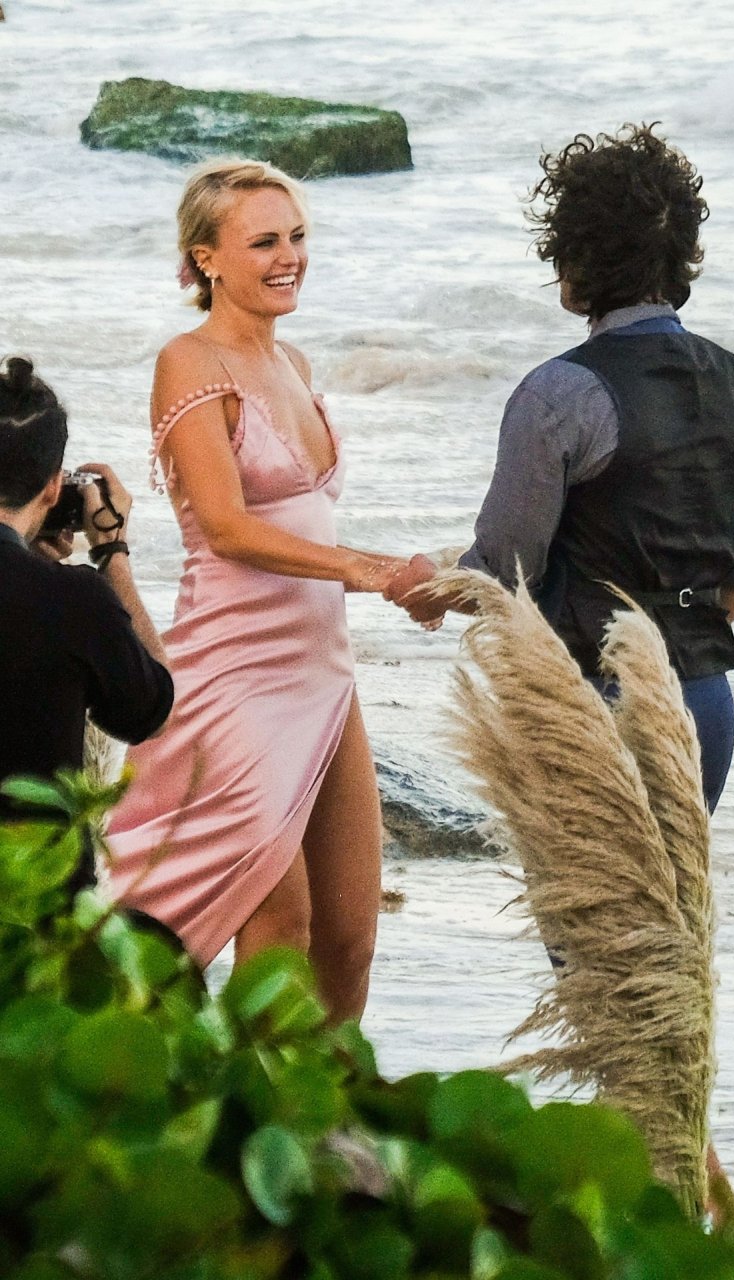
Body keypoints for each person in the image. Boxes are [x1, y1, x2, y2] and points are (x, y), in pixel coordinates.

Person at [386, 123, 734, 815]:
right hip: (704, 710)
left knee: (581, 895)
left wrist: (430, 585)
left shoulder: (558, 394)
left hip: (592, 707)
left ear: (578, 258)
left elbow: (504, 575)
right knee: (679, 888)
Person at [107, 158, 409, 1023]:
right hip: (233, 672)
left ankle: (326, 1108)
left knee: (349, 937)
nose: (289, 258)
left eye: (297, 237)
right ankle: (234, 1103)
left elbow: (304, 518)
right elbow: (228, 528)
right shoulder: (188, 360)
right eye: (264, 241)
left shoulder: (294, 361)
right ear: (205, 259)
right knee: (279, 919)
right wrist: (366, 570)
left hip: (323, 673)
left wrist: (417, 579)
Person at [0, 356, 174, 894]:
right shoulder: (72, 600)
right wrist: (111, 553)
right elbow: (152, 710)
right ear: (54, 488)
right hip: (36, 908)